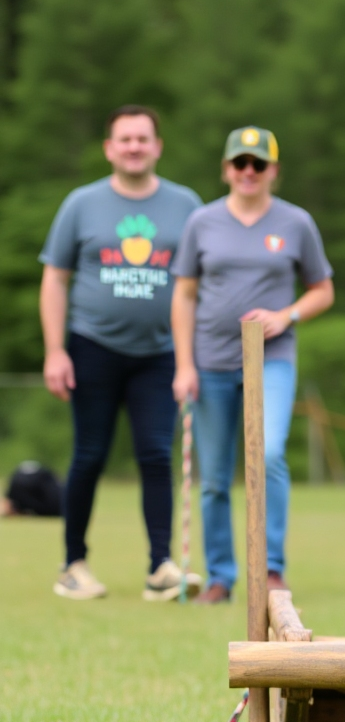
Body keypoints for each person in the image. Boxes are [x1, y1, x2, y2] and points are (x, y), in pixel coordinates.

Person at [39, 105, 203, 601]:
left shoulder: (186, 204)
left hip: (159, 354)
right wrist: (54, 351)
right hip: (92, 347)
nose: (133, 147)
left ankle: (161, 568)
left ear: (157, 146)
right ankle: (74, 566)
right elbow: (54, 279)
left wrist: (189, 356)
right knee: (88, 456)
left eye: (142, 138)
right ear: (110, 148)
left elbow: (198, 283)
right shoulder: (81, 204)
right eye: (124, 139)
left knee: (156, 456)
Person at [171, 126, 334, 604]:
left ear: (273, 172)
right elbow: (183, 294)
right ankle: (221, 575)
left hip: (272, 360)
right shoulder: (202, 222)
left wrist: (287, 315)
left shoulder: (296, 223)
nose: (248, 171)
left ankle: (272, 568)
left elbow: (323, 289)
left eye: (258, 164)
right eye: (239, 163)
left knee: (271, 454)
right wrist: (184, 365)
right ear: (226, 169)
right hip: (211, 361)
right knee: (216, 476)